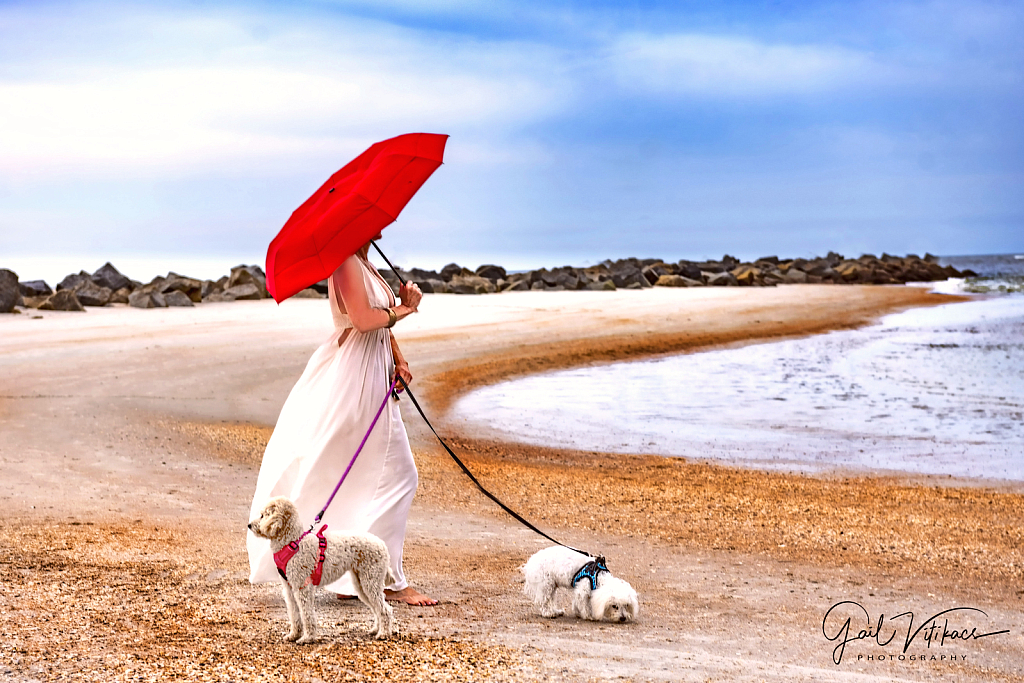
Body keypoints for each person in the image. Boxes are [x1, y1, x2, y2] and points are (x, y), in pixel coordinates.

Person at [246, 234, 437, 606]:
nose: (386, 226)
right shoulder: (345, 261)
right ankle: (388, 581)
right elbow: (365, 321)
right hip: (356, 375)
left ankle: (363, 575)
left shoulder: (366, 262)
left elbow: (381, 327)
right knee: (396, 474)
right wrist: (407, 307)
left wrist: (399, 359)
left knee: (380, 473)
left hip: (374, 366)